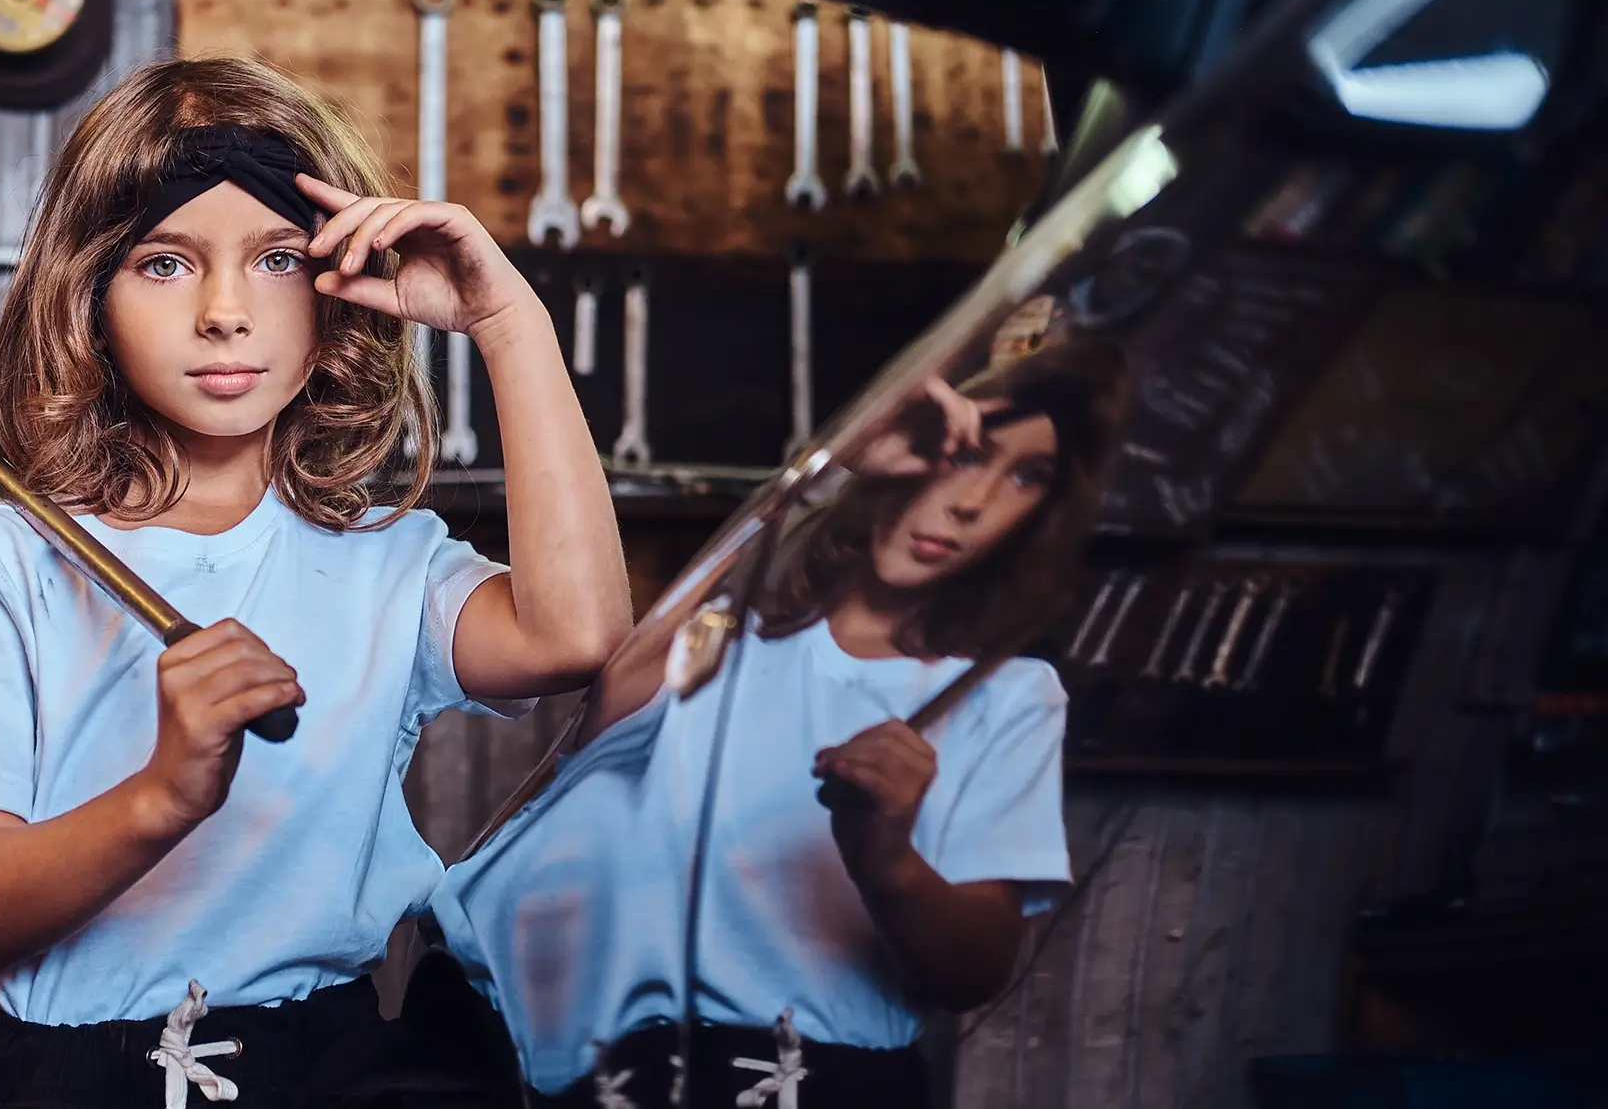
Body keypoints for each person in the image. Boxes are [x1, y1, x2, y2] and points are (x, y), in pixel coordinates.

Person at [0, 55, 630, 1109]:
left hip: (332, 1064)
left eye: (275, 259)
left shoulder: (386, 561)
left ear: (333, 298)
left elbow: (577, 637)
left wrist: (510, 324)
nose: (225, 311)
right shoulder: (3, 559)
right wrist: (161, 795)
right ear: (87, 299)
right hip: (83, 1082)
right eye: (166, 264)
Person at [432, 324, 1127, 1108]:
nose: (971, 503)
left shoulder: (1005, 696)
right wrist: (824, 470)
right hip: (564, 1067)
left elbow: (976, 972)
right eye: (965, 453)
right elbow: (610, 692)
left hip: (812, 1080)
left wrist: (889, 858)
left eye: (1026, 478)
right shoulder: (720, 643)